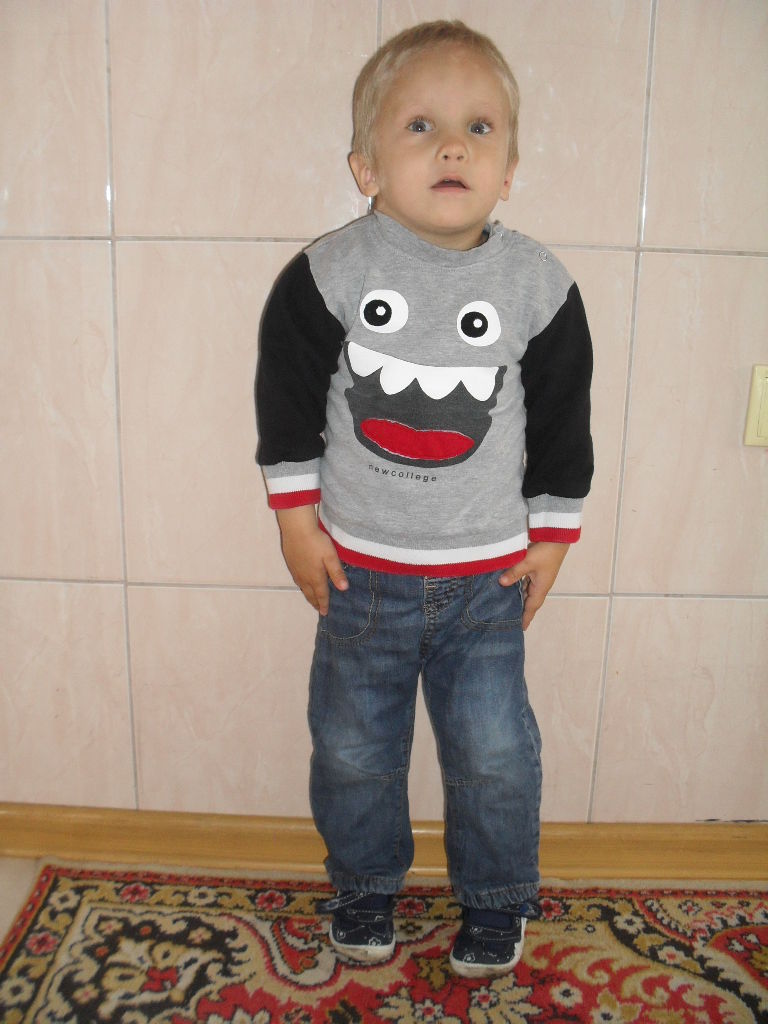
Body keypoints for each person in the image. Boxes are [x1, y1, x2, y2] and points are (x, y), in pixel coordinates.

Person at [255, 20, 593, 978]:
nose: (453, 147)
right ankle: (364, 888)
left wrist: (552, 539)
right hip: (359, 577)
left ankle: (496, 897)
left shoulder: (538, 285)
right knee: (353, 753)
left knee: (493, 756)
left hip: (487, 583)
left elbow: (563, 424)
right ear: (365, 168)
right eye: (421, 126)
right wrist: (295, 523)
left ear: (509, 170)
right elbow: (287, 406)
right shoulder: (329, 274)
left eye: (479, 128)